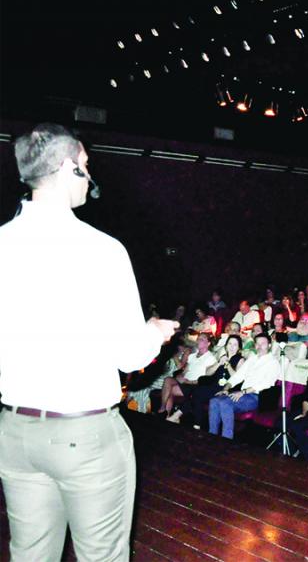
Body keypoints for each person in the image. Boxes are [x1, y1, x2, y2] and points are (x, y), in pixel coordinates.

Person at [0, 123, 178, 561]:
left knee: (29, 555)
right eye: (85, 165)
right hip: (85, 435)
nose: (89, 174)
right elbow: (129, 355)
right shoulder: (100, 249)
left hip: (16, 433)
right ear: (67, 168)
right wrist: (153, 333)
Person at [208, 333, 281, 439]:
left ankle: (226, 439)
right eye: (257, 343)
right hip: (243, 394)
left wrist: (243, 392)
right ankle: (211, 436)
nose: (259, 346)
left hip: (257, 397)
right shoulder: (252, 359)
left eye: (263, 343)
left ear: (269, 345)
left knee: (225, 403)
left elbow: (266, 384)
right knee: (214, 401)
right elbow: (238, 376)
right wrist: (226, 388)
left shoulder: (273, 363)